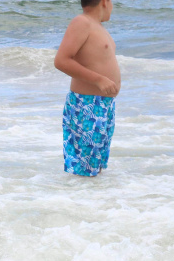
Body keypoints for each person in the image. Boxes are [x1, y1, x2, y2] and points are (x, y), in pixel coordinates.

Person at [53, 0, 121, 177]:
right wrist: (98, 79)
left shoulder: (98, 28)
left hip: (105, 105)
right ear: (105, 2)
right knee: (85, 170)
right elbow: (61, 60)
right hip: (87, 104)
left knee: (95, 168)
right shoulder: (82, 22)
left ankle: (91, 203)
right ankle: (77, 201)